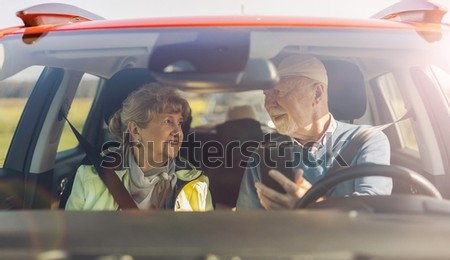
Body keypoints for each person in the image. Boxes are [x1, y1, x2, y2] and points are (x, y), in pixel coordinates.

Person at [236, 54, 392, 209]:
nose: (268, 105)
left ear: (317, 93)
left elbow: (371, 212)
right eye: (266, 94)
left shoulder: (366, 140)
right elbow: (245, 226)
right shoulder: (264, 156)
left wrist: (310, 208)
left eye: (278, 92)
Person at [65, 83, 213, 211]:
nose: (178, 132)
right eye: (168, 121)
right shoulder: (91, 177)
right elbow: (71, 238)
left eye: (179, 122)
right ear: (135, 130)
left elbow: (207, 241)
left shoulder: (197, 184)